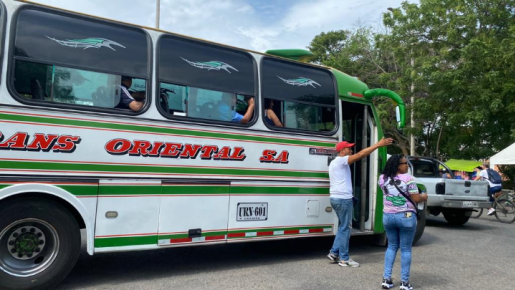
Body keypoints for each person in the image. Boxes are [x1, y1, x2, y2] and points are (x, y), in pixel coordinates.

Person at [326, 137, 393, 267]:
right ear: (341, 151)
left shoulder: (334, 162)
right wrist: (377, 145)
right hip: (343, 199)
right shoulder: (341, 161)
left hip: (335, 198)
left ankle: (334, 252)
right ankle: (344, 259)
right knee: (346, 229)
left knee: (343, 227)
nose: (351, 150)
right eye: (348, 148)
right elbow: (361, 154)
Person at [379, 154, 428, 290]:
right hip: (405, 217)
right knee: (405, 249)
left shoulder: (382, 178)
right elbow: (416, 198)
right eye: (405, 163)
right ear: (397, 165)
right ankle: (404, 283)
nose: (407, 165)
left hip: (388, 216)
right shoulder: (409, 179)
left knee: (392, 246)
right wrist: (424, 196)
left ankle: (386, 279)